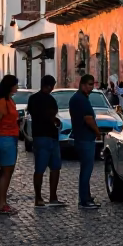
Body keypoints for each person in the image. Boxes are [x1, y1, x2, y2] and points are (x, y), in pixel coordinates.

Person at [27, 74, 65, 208]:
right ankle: (52, 197)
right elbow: (52, 115)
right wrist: (55, 120)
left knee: (40, 169)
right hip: (50, 136)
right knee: (54, 168)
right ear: (50, 86)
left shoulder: (32, 99)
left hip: (39, 136)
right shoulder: (50, 100)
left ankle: (39, 197)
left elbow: (32, 114)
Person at [69, 74, 101, 210]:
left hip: (81, 137)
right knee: (86, 170)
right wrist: (98, 132)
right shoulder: (81, 99)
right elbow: (88, 119)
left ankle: (86, 197)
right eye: (89, 84)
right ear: (82, 84)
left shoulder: (77, 98)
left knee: (85, 169)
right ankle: (84, 200)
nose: (91, 87)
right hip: (85, 138)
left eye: (92, 84)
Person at [0, 74, 20, 216]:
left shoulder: (10, 101)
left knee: (7, 172)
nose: (17, 87)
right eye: (15, 84)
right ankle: (1, 204)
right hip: (5, 138)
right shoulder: (2, 102)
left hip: (12, 138)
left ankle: (2, 202)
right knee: (5, 172)